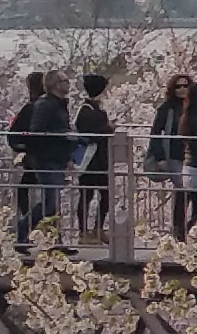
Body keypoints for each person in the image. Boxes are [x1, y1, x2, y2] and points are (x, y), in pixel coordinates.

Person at [150, 75, 197, 245]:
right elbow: (155, 132)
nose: (182, 89)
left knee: (193, 195)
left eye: (185, 86)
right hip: (176, 156)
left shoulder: (193, 109)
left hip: (190, 156)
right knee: (183, 193)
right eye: (178, 86)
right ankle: (181, 230)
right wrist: (160, 157)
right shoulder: (167, 109)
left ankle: (189, 232)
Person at [9, 70, 76, 247]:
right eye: (64, 80)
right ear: (55, 84)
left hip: (56, 159)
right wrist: (62, 135)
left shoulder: (60, 105)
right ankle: (21, 232)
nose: (68, 84)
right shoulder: (45, 105)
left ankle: (51, 241)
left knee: (52, 203)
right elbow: (36, 131)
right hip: (46, 159)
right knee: (49, 204)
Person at [70, 70, 122, 241]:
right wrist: (108, 129)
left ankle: (98, 228)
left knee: (105, 194)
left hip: (101, 159)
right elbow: (88, 134)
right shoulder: (86, 111)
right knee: (87, 194)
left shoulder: (95, 110)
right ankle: (84, 231)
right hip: (90, 160)